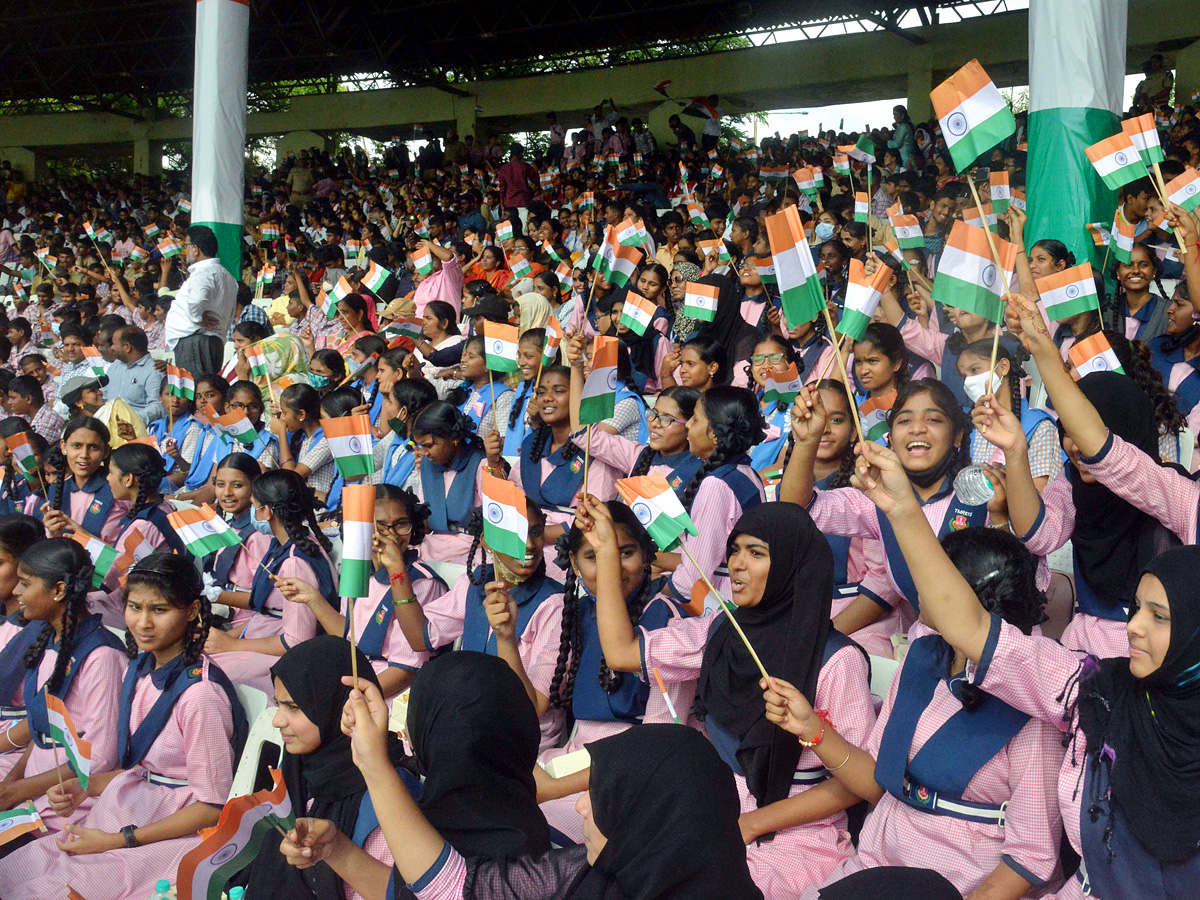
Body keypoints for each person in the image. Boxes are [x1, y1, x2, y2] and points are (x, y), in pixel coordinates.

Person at [850, 435, 1200, 900]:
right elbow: (974, 629)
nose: (1133, 627)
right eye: (1135, 609)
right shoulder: (1094, 690)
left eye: (1160, 617)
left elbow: (1031, 856)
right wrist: (903, 512)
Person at [592, 500, 874, 897]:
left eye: (756, 553)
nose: (737, 564)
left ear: (793, 566)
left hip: (792, 837)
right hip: (715, 809)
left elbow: (854, 786)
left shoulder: (835, 661)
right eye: (735, 549)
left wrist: (752, 824)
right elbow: (621, 652)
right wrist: (606, 552)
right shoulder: (723, 631)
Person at [770, 526, 1063, 900]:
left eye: (934, 572)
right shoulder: (923, 654)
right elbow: (878, 781)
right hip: (877, 863)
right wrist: (811, 728)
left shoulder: (1033, 706)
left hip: (962, 885)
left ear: (970, 597)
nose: (918, 583)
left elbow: (1031, 857)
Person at [0, 553, 245, 900]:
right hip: (124, 806)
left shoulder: (200, 695)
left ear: (191, 612)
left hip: (166, 834)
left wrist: (118, 840)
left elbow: (211, 806)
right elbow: (145, 770)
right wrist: (84, 788)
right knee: (13, 873)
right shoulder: (142, 668)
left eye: (159, 610)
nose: (143, 622)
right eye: (134, 607)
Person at [244, 636, 406, 900]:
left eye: (294, 707)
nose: (276, 720)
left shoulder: (384, 794)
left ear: (340, 707)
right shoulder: (299, 768)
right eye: (278, 703)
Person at [0, 539, 126, 830]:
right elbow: (42, 732)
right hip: (35, 788)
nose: (16, 592)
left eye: (25, 583)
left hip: (70, 801)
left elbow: (99, 757)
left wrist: (17, 792)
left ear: (58, 590)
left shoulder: (102, 656)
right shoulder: (48, 640)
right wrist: (12, 785)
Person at [165, 226, 238, 377]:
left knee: (198, 392)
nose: (185, 251)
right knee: (207, 389)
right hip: (211, 340)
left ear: (196, 249)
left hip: (195, 341)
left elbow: (197, 300)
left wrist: (197, 318)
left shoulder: (204, 273)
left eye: (186, 246)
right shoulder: (228, 277)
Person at [102, 325, 165, 425]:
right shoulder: (115, 365)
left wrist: (130, 419)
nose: (112, 348)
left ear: (127, 347)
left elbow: (158, 407)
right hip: (107, 423)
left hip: (135, 428)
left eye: (114, 344)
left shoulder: (154, 371)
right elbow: (104, 394)